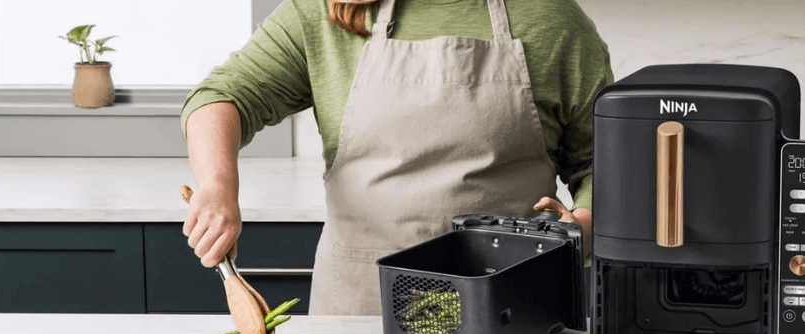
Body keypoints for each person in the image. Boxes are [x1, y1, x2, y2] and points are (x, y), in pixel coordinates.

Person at [180, 0, 612, 315]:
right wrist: (219, 186)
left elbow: (606, 162)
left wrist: (586, 227)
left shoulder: (552, 19)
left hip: (513, 308)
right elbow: (222, 97)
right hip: (360, 311)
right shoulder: (325, 12)